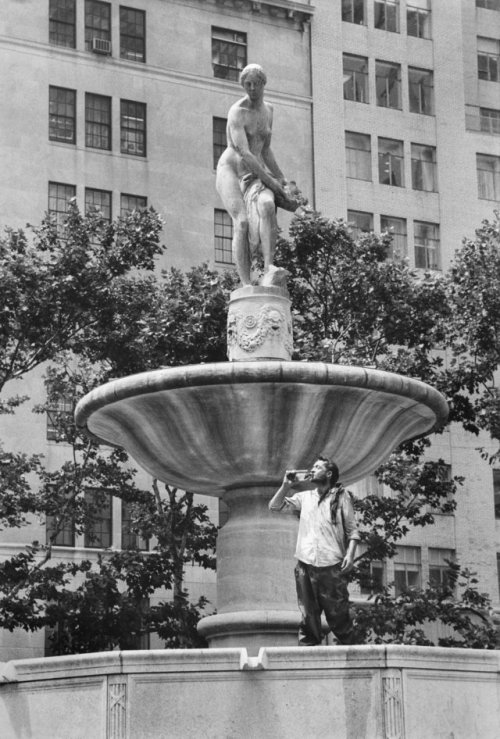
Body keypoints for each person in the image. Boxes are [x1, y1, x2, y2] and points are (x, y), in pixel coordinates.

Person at [216, 63, 295, 286]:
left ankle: (270, 268)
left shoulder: (268, 111)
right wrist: (271, 181)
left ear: (263, 84)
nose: (251, 88)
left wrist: (282, 180)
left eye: (255, 84)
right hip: (232, 170)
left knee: (268, 206)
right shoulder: (237, 112)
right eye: (247, 84)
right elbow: (246, 153)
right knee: (241, 222)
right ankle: (246, 284)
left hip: (256, 174)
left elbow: (265, 150)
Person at [268, 456, 360, 646]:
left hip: (332, 565)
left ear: (328, 473)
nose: (312, 470)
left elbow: (353, 531)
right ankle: (308, 657)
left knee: (339, 615)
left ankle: (354, 657)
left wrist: (350, 555)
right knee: (308, 616)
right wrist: (286, 486)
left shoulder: (342, 497)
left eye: (317, 467)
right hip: (306, 564)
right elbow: (274, 506)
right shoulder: (305, 497)